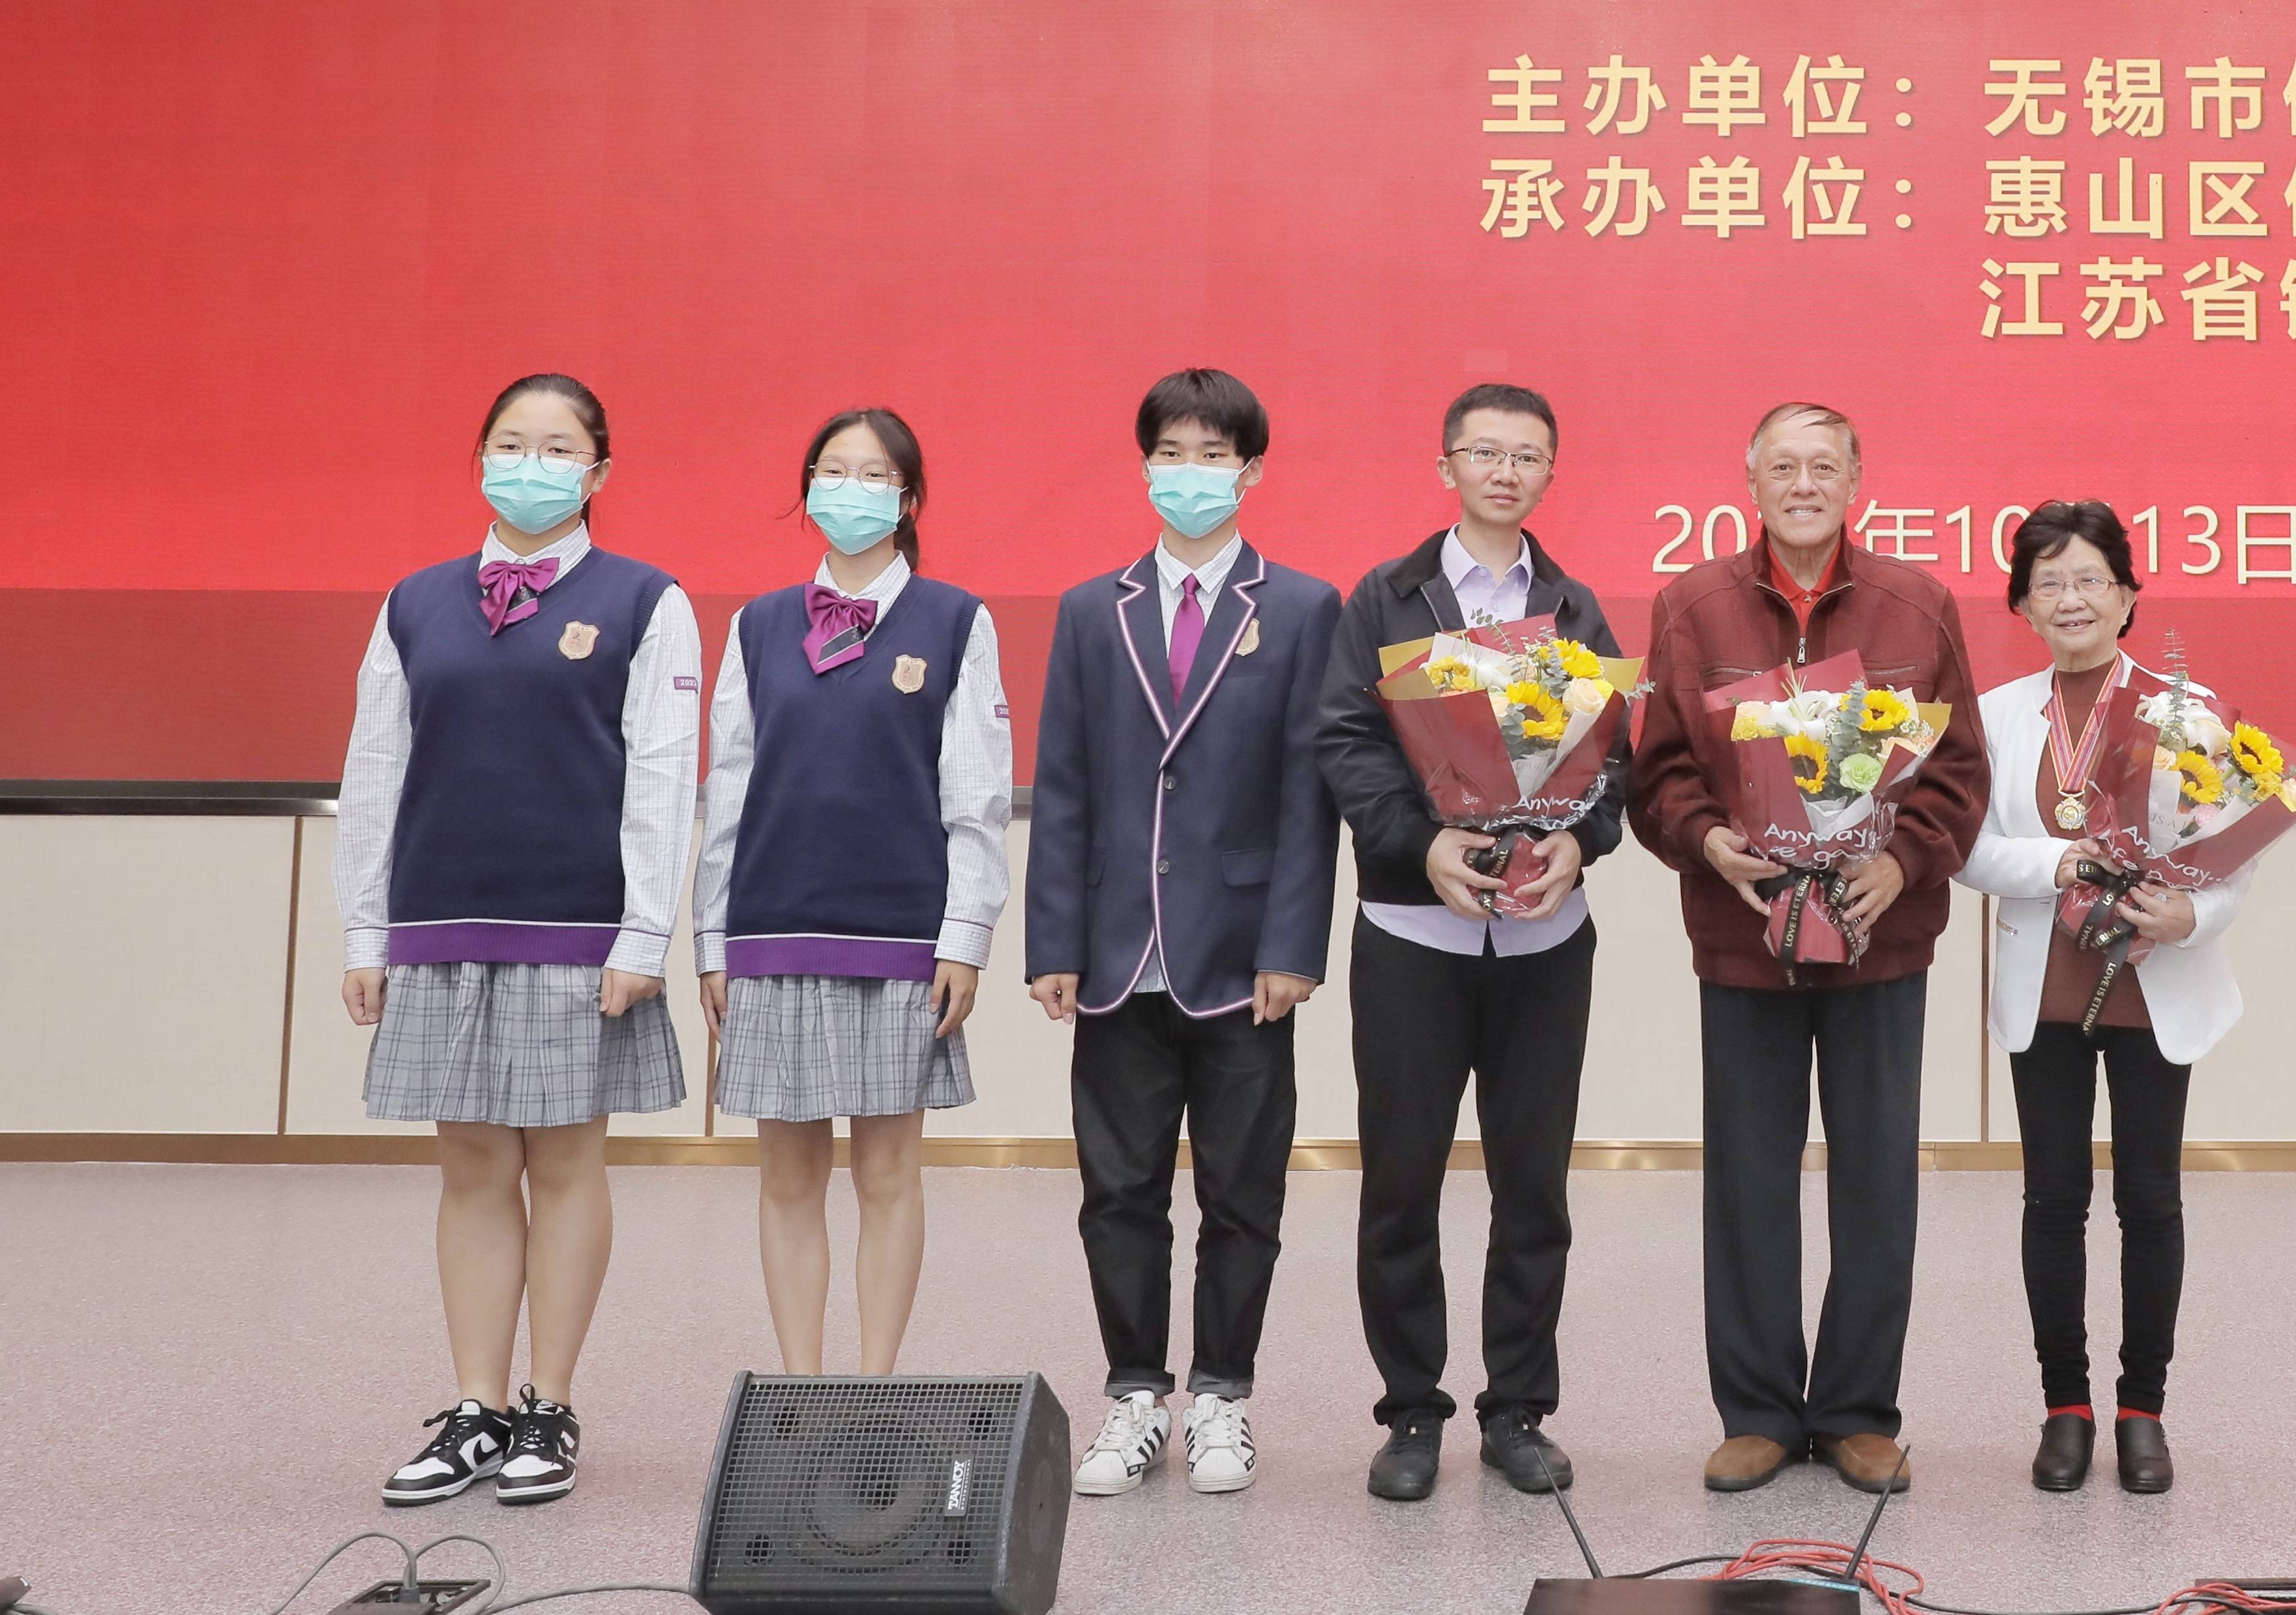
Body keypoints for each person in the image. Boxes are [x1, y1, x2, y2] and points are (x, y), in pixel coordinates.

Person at [333, 373, 696, 1510]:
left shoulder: (645, 600)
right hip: (439, 918)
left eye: (557, 447)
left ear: (598, 471)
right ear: (480, 458)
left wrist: (644, 933)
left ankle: (549, 1404)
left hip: (577, 927)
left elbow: (661, 776)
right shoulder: (414, 602)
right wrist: (365, 928)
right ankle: (476, 1409)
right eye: (509, 443)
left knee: (566, 1164)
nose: (529, 464)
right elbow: (375, 768)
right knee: (473, 1167)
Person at [1626, 401, 1990, 1497]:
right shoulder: (1691, 605)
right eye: (1782, 466)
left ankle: (1857, 1412)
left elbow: (1957, 770)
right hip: (1745, 935)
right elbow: (1660, 769)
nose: (1802, 484)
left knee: (1876, 1177)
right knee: (1747, 1178)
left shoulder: (1916, 604)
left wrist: (1905, 863)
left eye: (1822, 466)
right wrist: (1707, 840)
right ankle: (1756, 1414)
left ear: (1854, 480)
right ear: (1750, 481)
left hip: (1881, 938)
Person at [1026, 367, 1341, 1500]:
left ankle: (1221, 1398)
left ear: (1250, 471)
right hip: (1117, 954)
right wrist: (1053, 943)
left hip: (1244, 958)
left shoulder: (1300, 608)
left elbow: (1310, 793)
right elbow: (1063, 784)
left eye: (1213, 455)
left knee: (1242, 1193)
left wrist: (1292, 945)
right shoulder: (1089, 609)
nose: (1189, 473)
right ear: (1144, 465)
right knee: (1118, 1192)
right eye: (1171, 453)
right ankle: (1133, 1396)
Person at [1313, 384, 1624, 1503]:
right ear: (1446, 466)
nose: (1505, 471)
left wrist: (1581, 844)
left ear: (1549, 473)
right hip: (1413, 931)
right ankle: (1410, 1413)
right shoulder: (1385, 598)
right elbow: (1346, 741)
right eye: (1484, 452)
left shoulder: (1574, 607)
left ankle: (1517, 1412)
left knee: (1532, 1188)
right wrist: (1423, 844)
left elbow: (1614, 757)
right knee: (1401, 1183)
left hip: (1544, 944)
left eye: (1526, 455)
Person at [696, 408, 1011, 1378]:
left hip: (898, 937)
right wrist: (711, 940)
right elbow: (728, 791)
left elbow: (976, 796)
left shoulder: (955, 621)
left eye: (874, 474)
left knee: (887, 1174)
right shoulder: (757, 625)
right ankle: (801, 1390)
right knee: (788, 1179)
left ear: (908, 499)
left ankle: (872, 1389)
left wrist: (964, 937)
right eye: (831, 471)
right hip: (772, 930)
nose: (850, 490)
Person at [1958, 500, 2252, 1497]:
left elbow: (2233, 858)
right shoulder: (1997, 713)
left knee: (2149, 1200)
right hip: (2044, 985)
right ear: (2023, 605)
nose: (2070, 598)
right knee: (2052, 1199)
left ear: (2127, 598)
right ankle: (2065, 1409)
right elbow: (1965, 850)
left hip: (2150, 984)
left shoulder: (2188, 711)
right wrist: (2058, 860)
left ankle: (2142, 1411)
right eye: (2048, 583)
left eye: (2090, 579)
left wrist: (2190, 916)